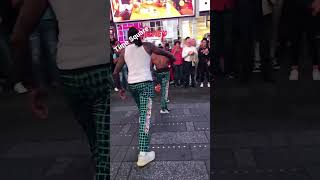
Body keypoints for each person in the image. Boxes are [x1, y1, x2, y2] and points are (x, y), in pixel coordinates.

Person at [10, 1, 111, 179]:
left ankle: (98, 161)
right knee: (106, 150)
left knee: (94, 139)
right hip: (101, 67)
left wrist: (31, 84)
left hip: (70, 73)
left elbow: (18, 37)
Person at [113, 27, 175, 167]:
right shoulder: (147, 46)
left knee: (142, 113)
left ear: (128, 38)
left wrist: (120, 88)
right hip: (145, 84)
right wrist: (172, 57)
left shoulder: (124, 51)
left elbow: (116, 72)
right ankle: (143, 154)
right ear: (140, 36)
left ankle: (143, 124)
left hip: (132, 86)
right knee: (145, 119)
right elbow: (162, 51)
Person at [280, 0, 320, 80]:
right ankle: (294, 68)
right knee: (294, 38)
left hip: (310, 5)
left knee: (312, 39)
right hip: (293, 6)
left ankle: (316, 68)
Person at [29, 5, 59, 88]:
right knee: (39, 55)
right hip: (36, 20)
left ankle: (52, 81)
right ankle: (43, 82)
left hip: (40, 19)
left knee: (39, 55)